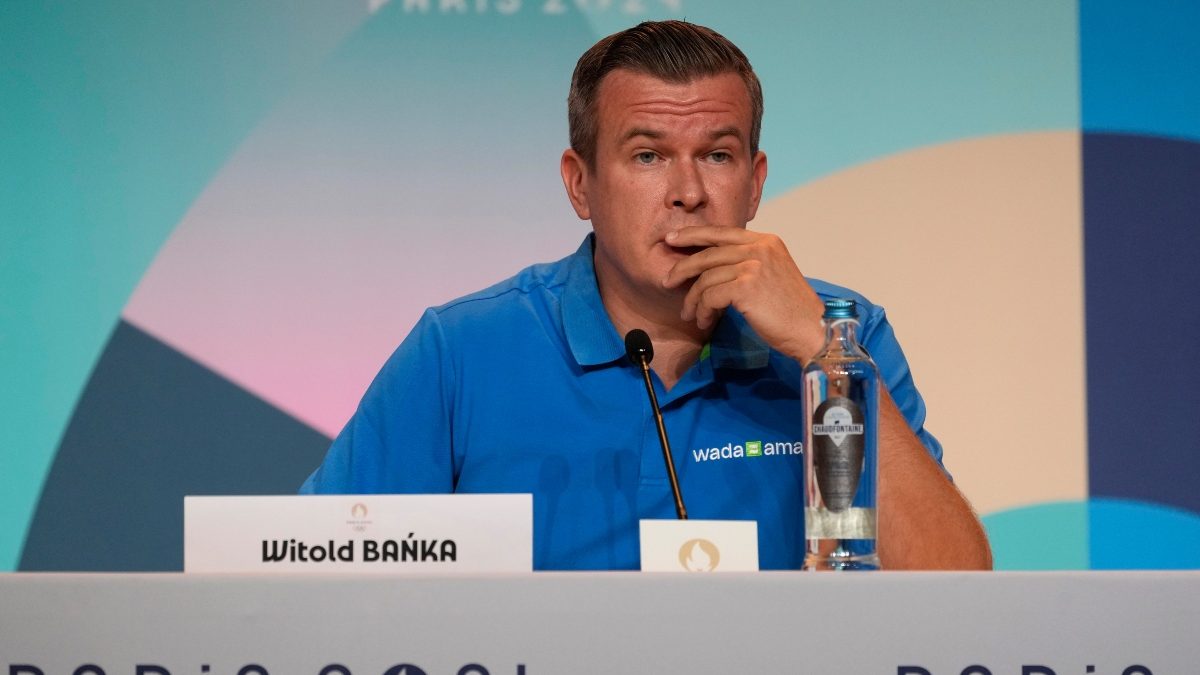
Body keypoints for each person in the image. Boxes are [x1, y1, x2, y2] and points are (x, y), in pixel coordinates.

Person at [301, 20, 992, 571]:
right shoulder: (463, 351)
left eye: (717, 155)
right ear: (580, 184)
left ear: (754, 183)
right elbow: (312, 573)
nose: (687, 192)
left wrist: (822, 352)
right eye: (648, 156)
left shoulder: (844, 332)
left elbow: (955, 589)